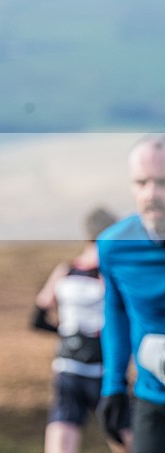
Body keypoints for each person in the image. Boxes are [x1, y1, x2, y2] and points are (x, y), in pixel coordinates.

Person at [32, 208, 131, 453]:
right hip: (105, 372)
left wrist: (70, 336)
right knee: (129, 441)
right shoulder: (113, 274)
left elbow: (37, 318)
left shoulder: (65, 271)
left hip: (68, 369)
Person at [97, 134, 165, 453]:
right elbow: (116, 312)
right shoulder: (114, 246)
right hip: (152, 398)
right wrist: (113, 386)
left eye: (163, 182)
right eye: (142, 183)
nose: (152, 194)